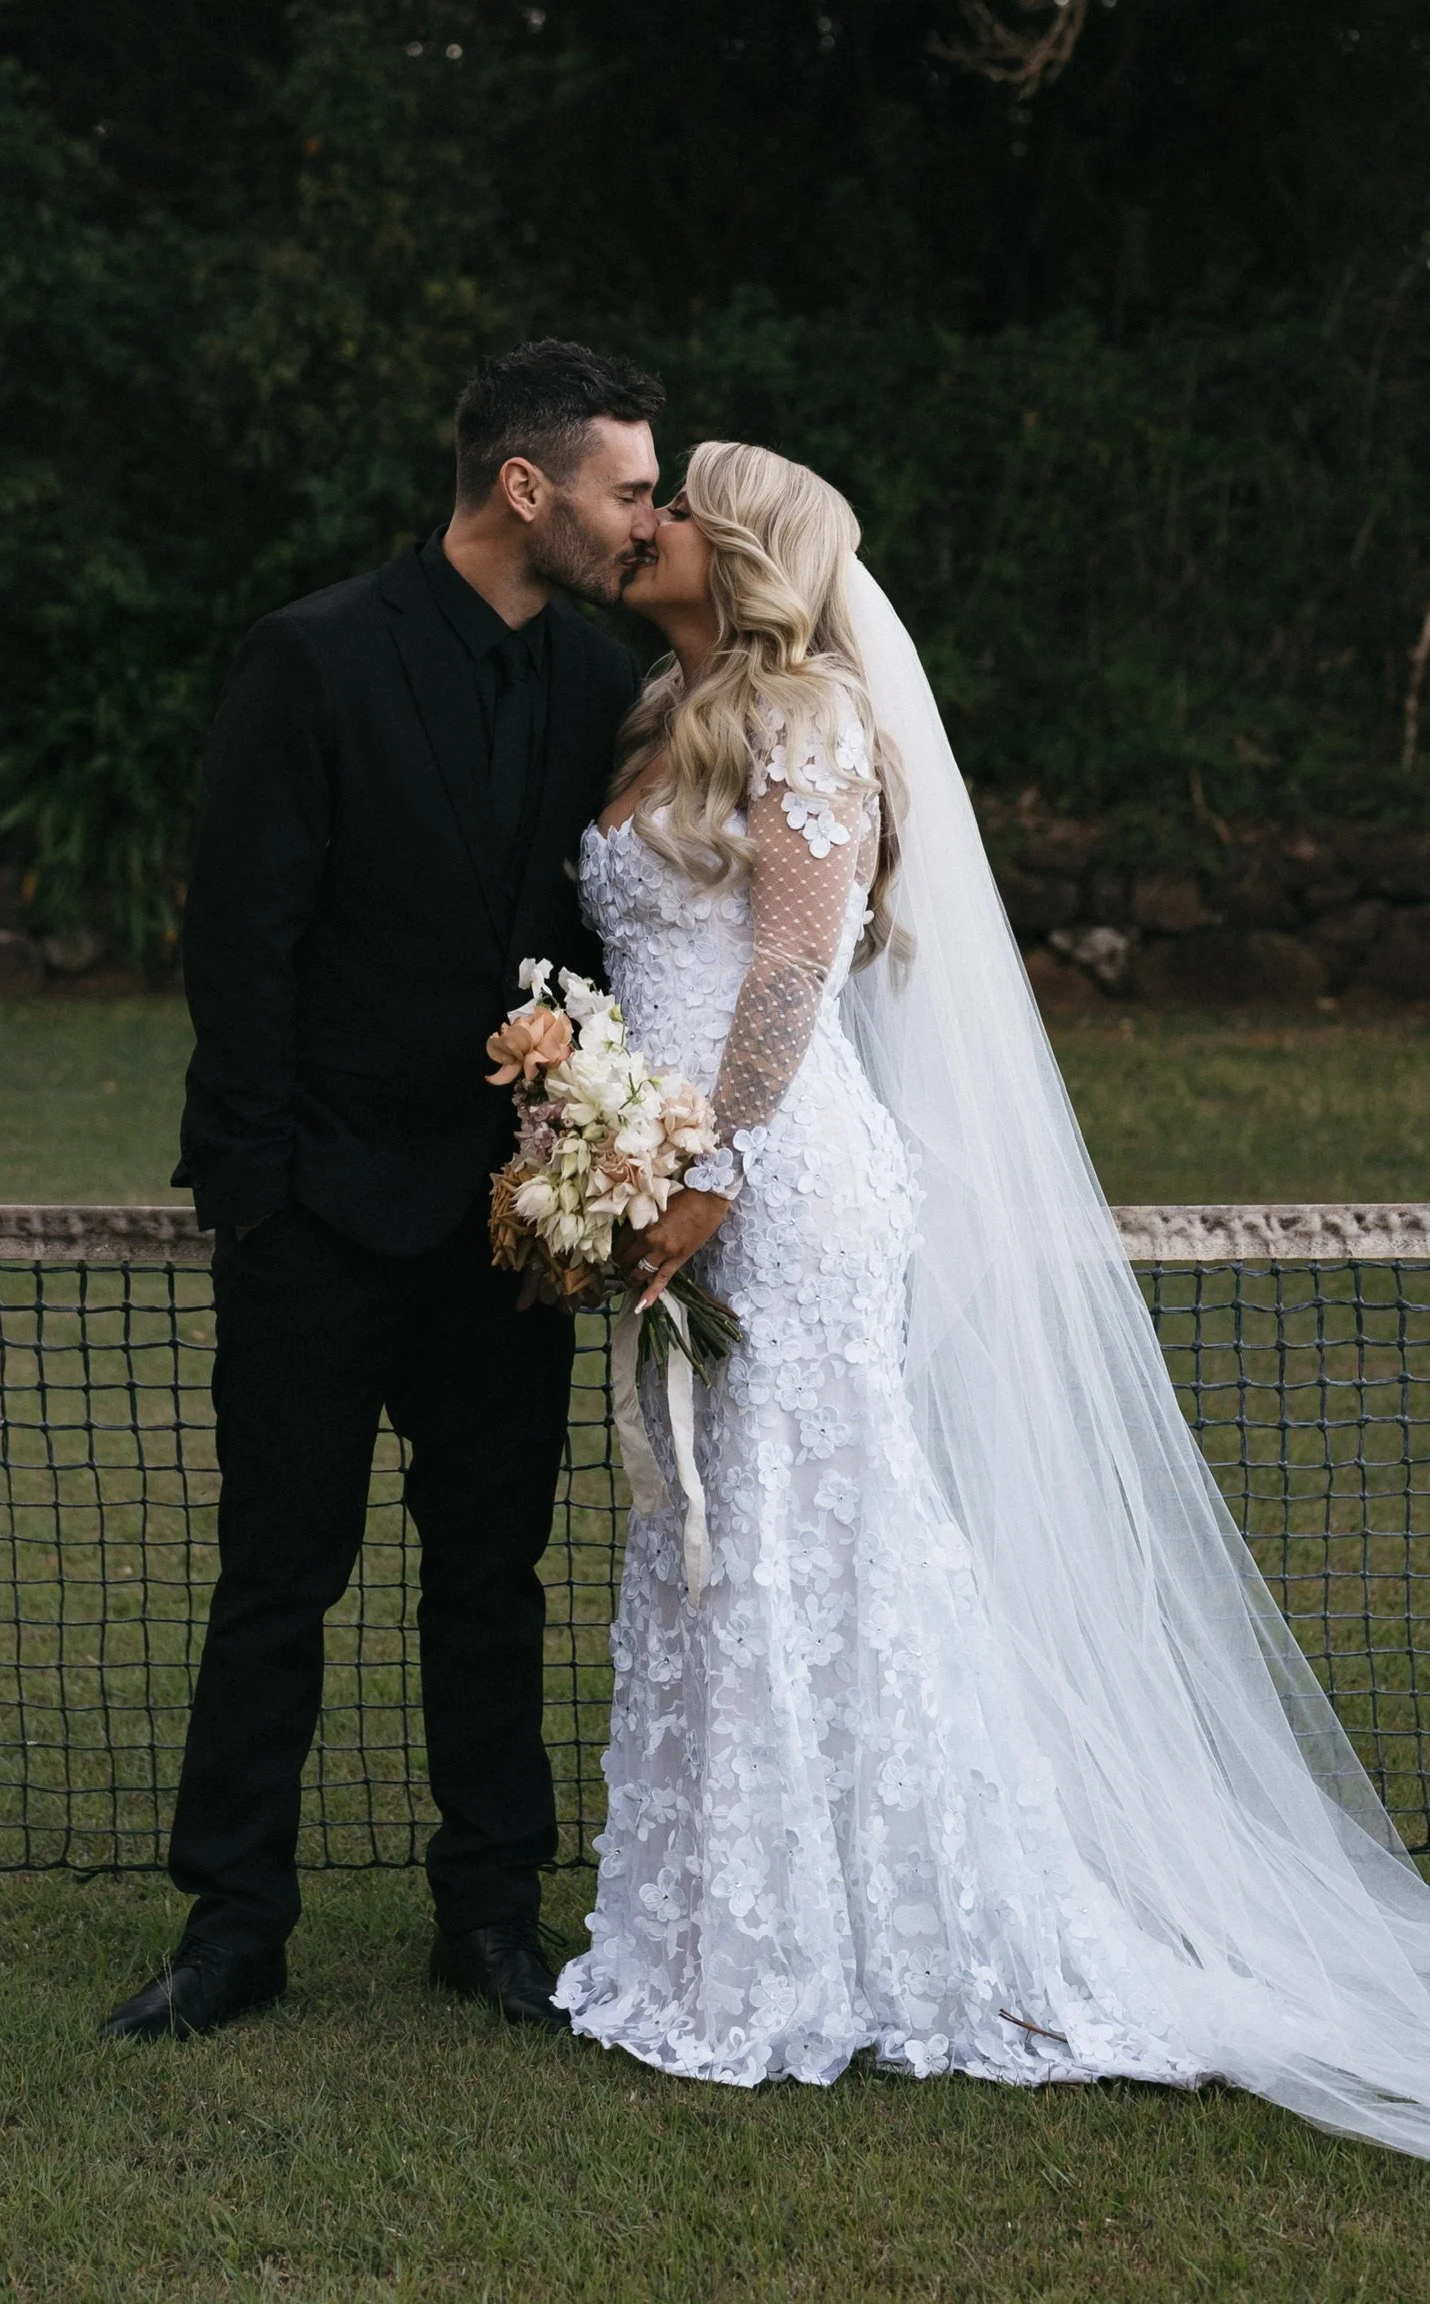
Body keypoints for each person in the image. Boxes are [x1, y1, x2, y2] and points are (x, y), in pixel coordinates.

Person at [557, 438, 1430, 2157]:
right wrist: (610, 1151)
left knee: (810, 1536)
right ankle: (729, 1924)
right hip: (675, 1165)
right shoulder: (665, 712)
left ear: (741, 551)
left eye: (676, 506)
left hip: (780, 1179)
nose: (645, 523)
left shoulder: (808, 720)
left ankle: (875, 1933)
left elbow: (792, 962)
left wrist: (713, 1161)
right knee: (718, 1537)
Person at [99, 340, 663, 2043]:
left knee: (493, 1582)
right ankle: (233, 1932)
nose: (646, 522)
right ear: (525, 486)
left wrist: (575, 1182)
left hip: (513, 1234)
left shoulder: (606, 683)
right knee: (278, 1578)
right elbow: (242, 940)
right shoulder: (314, 655)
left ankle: (489, 1917)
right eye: (627, 490)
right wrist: (260, 1198)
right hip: (320, 1219)